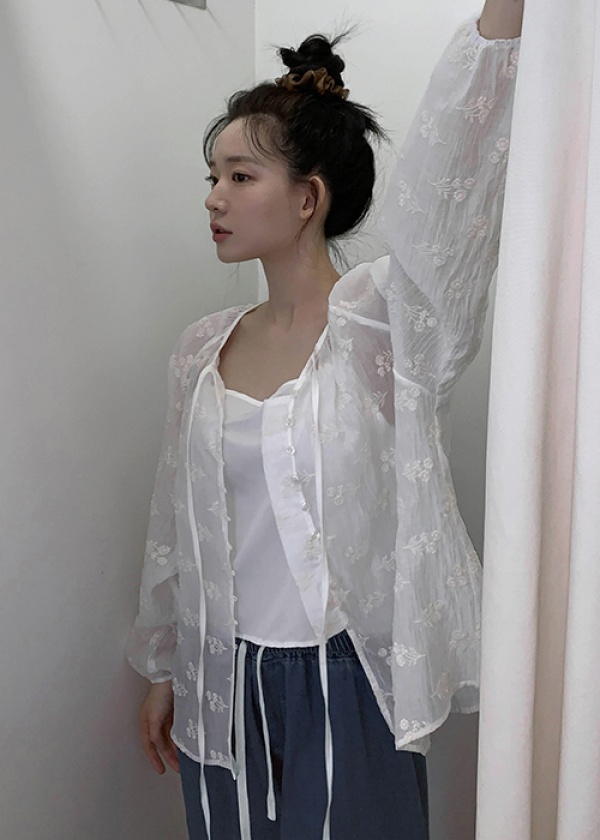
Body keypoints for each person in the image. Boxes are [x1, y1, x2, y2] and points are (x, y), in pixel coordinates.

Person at [126, 5, 522, 839]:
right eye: (213, 175)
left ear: (308, 197)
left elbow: (457, 167)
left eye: (240, 177)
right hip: (219, 681)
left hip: (347, 677)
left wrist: (502, 23)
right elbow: (174, 527)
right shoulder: (200, 350)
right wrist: (166, 666)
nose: (213, 197)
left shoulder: (383, 328)